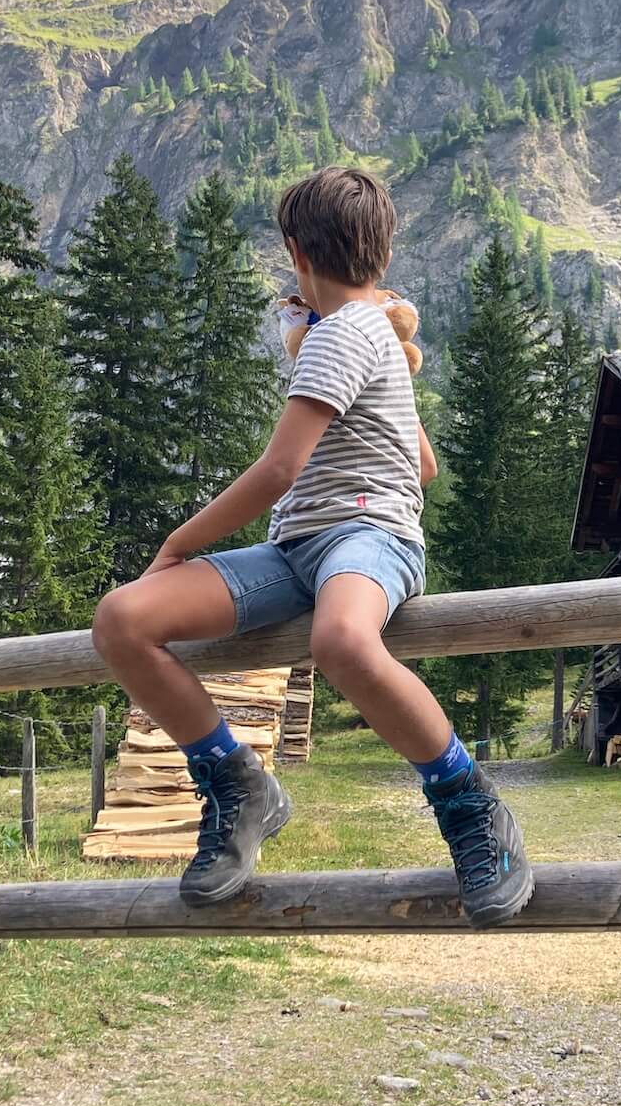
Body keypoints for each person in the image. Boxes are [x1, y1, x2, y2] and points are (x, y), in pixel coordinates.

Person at [91, 165, 535, 928]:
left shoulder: (339, 336)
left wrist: (179, 542)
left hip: (372, 538)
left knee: (340, 639)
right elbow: (423, 465)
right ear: (382, 254)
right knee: (122, 620)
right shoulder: (369, 337)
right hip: (299, 550)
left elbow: (279, 469)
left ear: (294, 252)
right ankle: (239, 783)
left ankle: (471, 802)